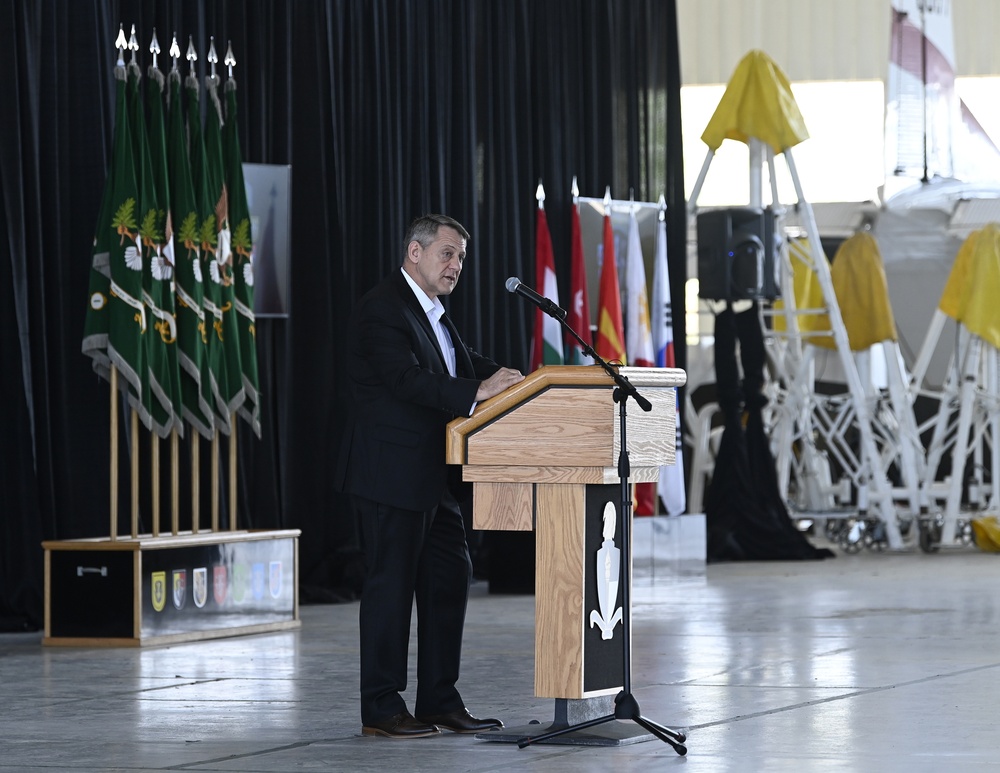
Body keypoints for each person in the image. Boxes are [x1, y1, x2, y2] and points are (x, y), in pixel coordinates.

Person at [335, 214, 525, 739]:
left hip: (433, 477)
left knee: (448, 581)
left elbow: (461, 364)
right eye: (447, 253)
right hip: (389, 475)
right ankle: (381, 705)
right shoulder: (383, 310)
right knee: (390, 591)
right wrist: (477, 391)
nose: (456, 265)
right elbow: (406, 380)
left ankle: (440, 699)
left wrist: (517, 380)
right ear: (414, 252)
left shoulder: (435, 313)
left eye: (461, 256)